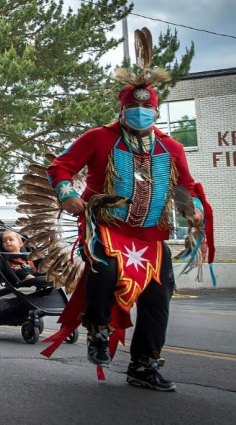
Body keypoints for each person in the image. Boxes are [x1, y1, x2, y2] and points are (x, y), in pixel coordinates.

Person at [45, 65, 205, 392]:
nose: (142, 112)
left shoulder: (170, 147)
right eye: (135, 107)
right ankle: (98, 330)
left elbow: (184, 186)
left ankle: (144, 365)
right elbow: (60, 167)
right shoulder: (97, 137)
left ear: (156, 111)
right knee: (104, 268)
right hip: (105, 225)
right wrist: (67, 194)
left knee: (159, 298)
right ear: (122, 109)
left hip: (150, 237)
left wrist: (194, 209)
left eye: (148, 108)